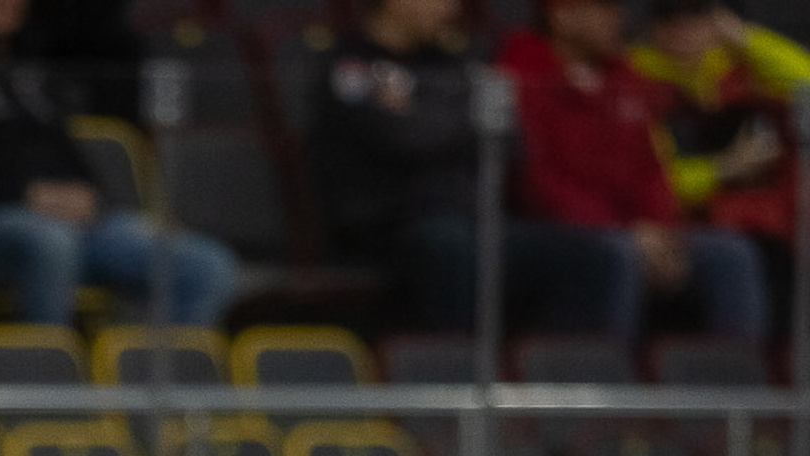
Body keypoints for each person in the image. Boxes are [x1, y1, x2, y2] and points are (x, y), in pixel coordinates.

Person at [0, 0, 240, 329]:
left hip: (69, 227)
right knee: (49, 242)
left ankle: (149, 384)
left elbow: (69, 160)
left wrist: (91, 199)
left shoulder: (31, 72)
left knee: (206, 264)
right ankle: (48, 382)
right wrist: (27, 196)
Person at [312, 0, 654, 334]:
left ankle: (573, 382)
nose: (451, 8)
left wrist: (427, 115)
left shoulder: (461, 61)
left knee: (603, 255)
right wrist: (463, 119)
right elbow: (406, 137)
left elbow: (511, 137)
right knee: (450, 248)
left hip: (475, 221)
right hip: (390, 226)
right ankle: (454, 378)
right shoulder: (351, 65)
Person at [500, 0, 768, 343]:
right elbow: (538, 182)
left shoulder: (626, 78)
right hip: (551, 228)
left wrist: (661, 228)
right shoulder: (523, 76)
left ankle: (735, 385)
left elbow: (652, 169)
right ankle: (609, 382)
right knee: (616, 254)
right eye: (605, 10)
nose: (618, 19)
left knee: (731, 254)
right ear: (562, 17)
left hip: (634, 230)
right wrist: (629, 231)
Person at [630, 0, 806, 293]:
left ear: (719, 22)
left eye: (696, 14)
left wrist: (747, 40)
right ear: (651, 28)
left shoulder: (743, 70)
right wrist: (723, 168)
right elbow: (648, 180)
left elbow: (807, 88)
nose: (682, 27)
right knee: (736, 254)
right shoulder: (635, 81)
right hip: (684, 223)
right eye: (667, 16)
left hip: (762, 221)